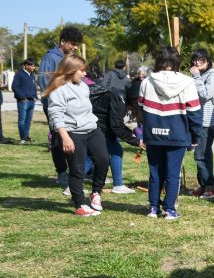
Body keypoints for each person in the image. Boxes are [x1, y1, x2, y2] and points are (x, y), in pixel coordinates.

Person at [138, 46, 202, 220]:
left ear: (158, 61)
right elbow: (195, 112)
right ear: (176, 61)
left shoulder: (146, 82)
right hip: (178, 134)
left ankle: (153, 208)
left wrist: (143, 132)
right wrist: (196, 136)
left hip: (153, 134)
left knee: (155, 172)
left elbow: (141, 109)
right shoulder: (187, 82)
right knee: (173, 174)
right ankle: (170, 210)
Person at [41, 55, 109, 216]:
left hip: (91, 129)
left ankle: (96, 193)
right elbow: (55, 116)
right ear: (70, 70)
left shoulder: (83, 86)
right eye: (82, 70)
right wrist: (65, 137)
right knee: (77, 169)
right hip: (72, 132)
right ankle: (80, 205)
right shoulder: (58, 90)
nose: (85, 74)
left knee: (104, 159)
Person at [38, 25, 84, 187]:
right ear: (62, 41)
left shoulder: (68, 59)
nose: (75, 48)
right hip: (55, 106)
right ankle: (62, 172)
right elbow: (44, 83)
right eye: (73, 44)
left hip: (70, 107)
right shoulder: (50, 58)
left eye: (77, 44)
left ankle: (76, 172)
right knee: (58, 138)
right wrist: (57, 100)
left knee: (72, 137)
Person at [89, 61, 139, 194]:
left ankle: (72, 185)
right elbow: (116, 125)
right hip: (97, 125)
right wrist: (135, 140)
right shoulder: (119, 99)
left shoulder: (119, 94)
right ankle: (118, 184)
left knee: (91, 156)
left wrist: (129, 133)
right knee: (115, 150)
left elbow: (114, 122)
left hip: (99, 123)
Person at [189, 48, 214, 199]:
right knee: (202, 154)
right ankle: (204, 185)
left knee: (201, 154)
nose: (197, 62)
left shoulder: (213, 74)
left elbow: (206, 94)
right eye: (195, 60)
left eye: (200, 59)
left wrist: (196, 77)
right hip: (198, 120)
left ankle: (211, 186)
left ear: (207, 61)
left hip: (208, 121)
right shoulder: (200, 76)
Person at [13, 58, 38, 143]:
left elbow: (33, 86)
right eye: (32, 65)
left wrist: (35, 96)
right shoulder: (19, 74)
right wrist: (23, 97)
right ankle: (22, 138)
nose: (34, 67)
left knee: (28, 120)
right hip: (23, 101)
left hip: (31, 101)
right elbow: (14, 87)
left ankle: (26, 137)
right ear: (26, 65)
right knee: (22, 120)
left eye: (34, 65)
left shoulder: (32, 74)